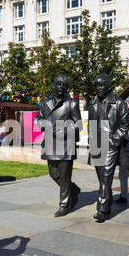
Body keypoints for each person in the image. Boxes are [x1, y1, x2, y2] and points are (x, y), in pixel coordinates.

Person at [36, 75, 82, 217]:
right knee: (54, 174)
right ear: (54, 85)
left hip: (66, 144)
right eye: (58, 84)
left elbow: (78, 124)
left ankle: (64, 205)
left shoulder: (72, 103)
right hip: (50, 142)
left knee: (64, 175)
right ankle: (72, 188)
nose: (61, 87)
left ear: (67, 88)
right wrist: (43, 124)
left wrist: (66, 129)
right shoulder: (46, 103)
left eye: (64, 85)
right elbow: (39, 118)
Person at [88, 74, 129, 223]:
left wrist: (115, 139)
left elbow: (125, 123)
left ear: (108, 86)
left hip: (110, 142)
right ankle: (108, 201)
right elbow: (91, 123)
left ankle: (102, 209)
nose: (99, 88)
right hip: (96, 143)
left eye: (101, 85)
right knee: (101, 178)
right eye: (97, 86)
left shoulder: (118, 102)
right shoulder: (93, 103)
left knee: (106, 177)